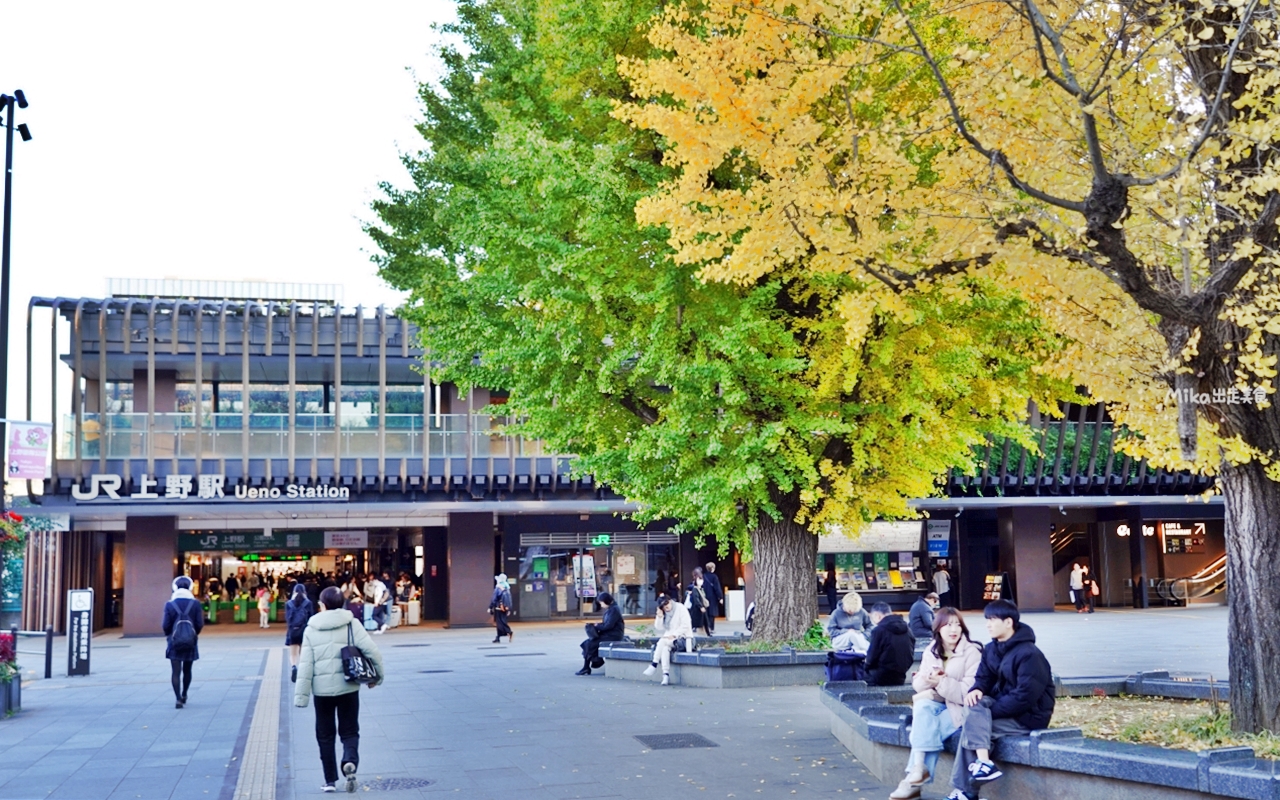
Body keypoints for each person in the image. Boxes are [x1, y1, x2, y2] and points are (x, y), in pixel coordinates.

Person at [946, 599, 1054, 800]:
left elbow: (1025, 696)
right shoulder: (991, 649)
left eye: (993, 619)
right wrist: (977, 689)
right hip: (1002, 707)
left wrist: (986, 714)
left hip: (1028, 717)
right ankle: (982, 766)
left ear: (1008, 622)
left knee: (972, 728)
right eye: (987, 619)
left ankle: (967, 792)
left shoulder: (1030, 654)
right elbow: (983, 678)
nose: (988, 624)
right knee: (974, 707)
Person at [295, 586, 385, 794]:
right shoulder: (352, 624)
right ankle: (349, 761)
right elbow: (372, 651)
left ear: (322, 605)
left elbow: (306, 664)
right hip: (349, 687)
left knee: (325, 735)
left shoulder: (311, 628)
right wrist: (378, 677)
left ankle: (329, 781)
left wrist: (301, 696)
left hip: (322, 692)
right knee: (350, 730)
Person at [889, 608, 982, 800]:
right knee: (922, 708)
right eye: (948, 624)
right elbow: (918, 684)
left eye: (957, 624)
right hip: (937, 703)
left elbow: (967, 693)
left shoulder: (972, 652)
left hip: (963, 709)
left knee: (926, 726)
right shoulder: (932, 649)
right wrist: (929, 679)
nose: (953, 629)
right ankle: (918, 769)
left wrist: (941, 682)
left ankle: (912, 780)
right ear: (938, 628)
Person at [162, 576, 204, 709]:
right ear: (190, 587)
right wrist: (193, 634)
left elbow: (165, 625)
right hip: (190, 640)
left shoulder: (169, 604)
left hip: (174, 641)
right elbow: (199, 623)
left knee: (175, 671)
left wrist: (169, 635)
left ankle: (178, 699)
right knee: (187, 669)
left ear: (174, 587)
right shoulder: (195, 603)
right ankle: (185, 693)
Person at [643, 593, 692, 686]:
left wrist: (674, 635)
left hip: (683, 638)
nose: (666, 607)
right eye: (663, 607)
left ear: (670, 601)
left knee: (662, 641)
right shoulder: (664, 612)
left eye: (667, 604)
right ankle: (665, 675)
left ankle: (654, 664)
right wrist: (659, 616)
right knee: (665, 648)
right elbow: (659, 627)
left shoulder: (680, 607)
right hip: (669, 640)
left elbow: (686, 625)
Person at [864, 602, 914, 686]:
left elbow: (872, 657)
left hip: (879, 676)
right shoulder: (907, 629)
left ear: (877, 615)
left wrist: (865, 668)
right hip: (901, 675)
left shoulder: (879, 630)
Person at [577, 591, 625, 675]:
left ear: (606, 601)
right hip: (610, 633)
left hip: (613, 635)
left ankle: (589, 666)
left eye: (601, 603)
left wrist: (596, 626)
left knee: (589, 643)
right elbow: (607, 624)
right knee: (589, 643)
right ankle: (592, 663)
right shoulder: (612, 608)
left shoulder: (613, 610)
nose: (601, 605)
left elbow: (608, 626)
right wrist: (598, 624)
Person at [286, 583, 314, 683]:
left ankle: (294, 666)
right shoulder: (308, 603)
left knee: (293, 653)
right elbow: (311, 617)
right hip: (304, 630)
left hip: (292, 630)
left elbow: (288, 619)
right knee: (303, 652)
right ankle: (303, 671)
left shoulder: (289, 603)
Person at [686, 567, 712, 636]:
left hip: (701, 609)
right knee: (699, 625)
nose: (701, 581)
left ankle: (706, 634)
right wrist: (700, 606)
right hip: (698, 610)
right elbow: (696, 599)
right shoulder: (695, 589)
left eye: (701, 579)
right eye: (699, 579)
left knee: (703, 624)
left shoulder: (701, 589)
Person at [490, 574, 514, 643]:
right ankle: (498, 637)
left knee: (500, 623)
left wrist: (490, 606)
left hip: (499, 608)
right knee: (502, 621)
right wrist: (509, 609)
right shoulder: (507, 588)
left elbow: (494, 599)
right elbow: (509, 600)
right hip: (505, 608)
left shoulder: (498, 588)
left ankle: (508, 631)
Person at [702, 562, 723, 633]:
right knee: (712, 613)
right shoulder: (714, 577)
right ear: (712, 568)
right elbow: (717, 588)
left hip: (705, 596)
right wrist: (720, 597)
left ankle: (706, 627)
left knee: (706, 612)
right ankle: (711, 628)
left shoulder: (703, 576)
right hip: (713, 597)